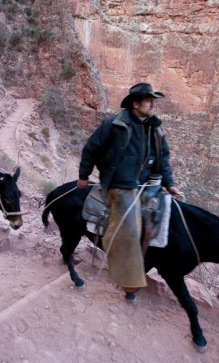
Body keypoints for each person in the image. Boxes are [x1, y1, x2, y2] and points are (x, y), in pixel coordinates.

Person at [77, 82, 183, 302]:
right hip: (120, 185)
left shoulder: (155, 128)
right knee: (130, 227)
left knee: (172, 216)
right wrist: (84, 176)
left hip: (149, 184)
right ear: (136, 103)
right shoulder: (113, 125)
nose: (152, 105)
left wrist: (170, 183)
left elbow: (163, 159)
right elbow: (91, 149)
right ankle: (129, 280)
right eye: (148, 101)